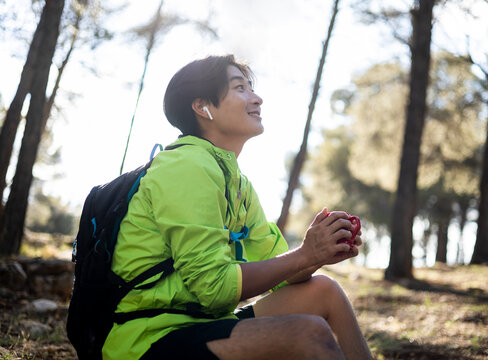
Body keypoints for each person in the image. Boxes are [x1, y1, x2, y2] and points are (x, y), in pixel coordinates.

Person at [102, 54, 373, 360]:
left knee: (325, 291)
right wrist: (304, 255)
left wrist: (318, 252)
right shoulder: (186, 166)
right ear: (203, 107)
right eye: (240, 88)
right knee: (308, 333)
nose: (257, 98)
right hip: (149, 338)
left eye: (251, 88)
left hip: (205, 325)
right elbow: (213, 288)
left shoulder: (237, 182)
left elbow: (283, 270)